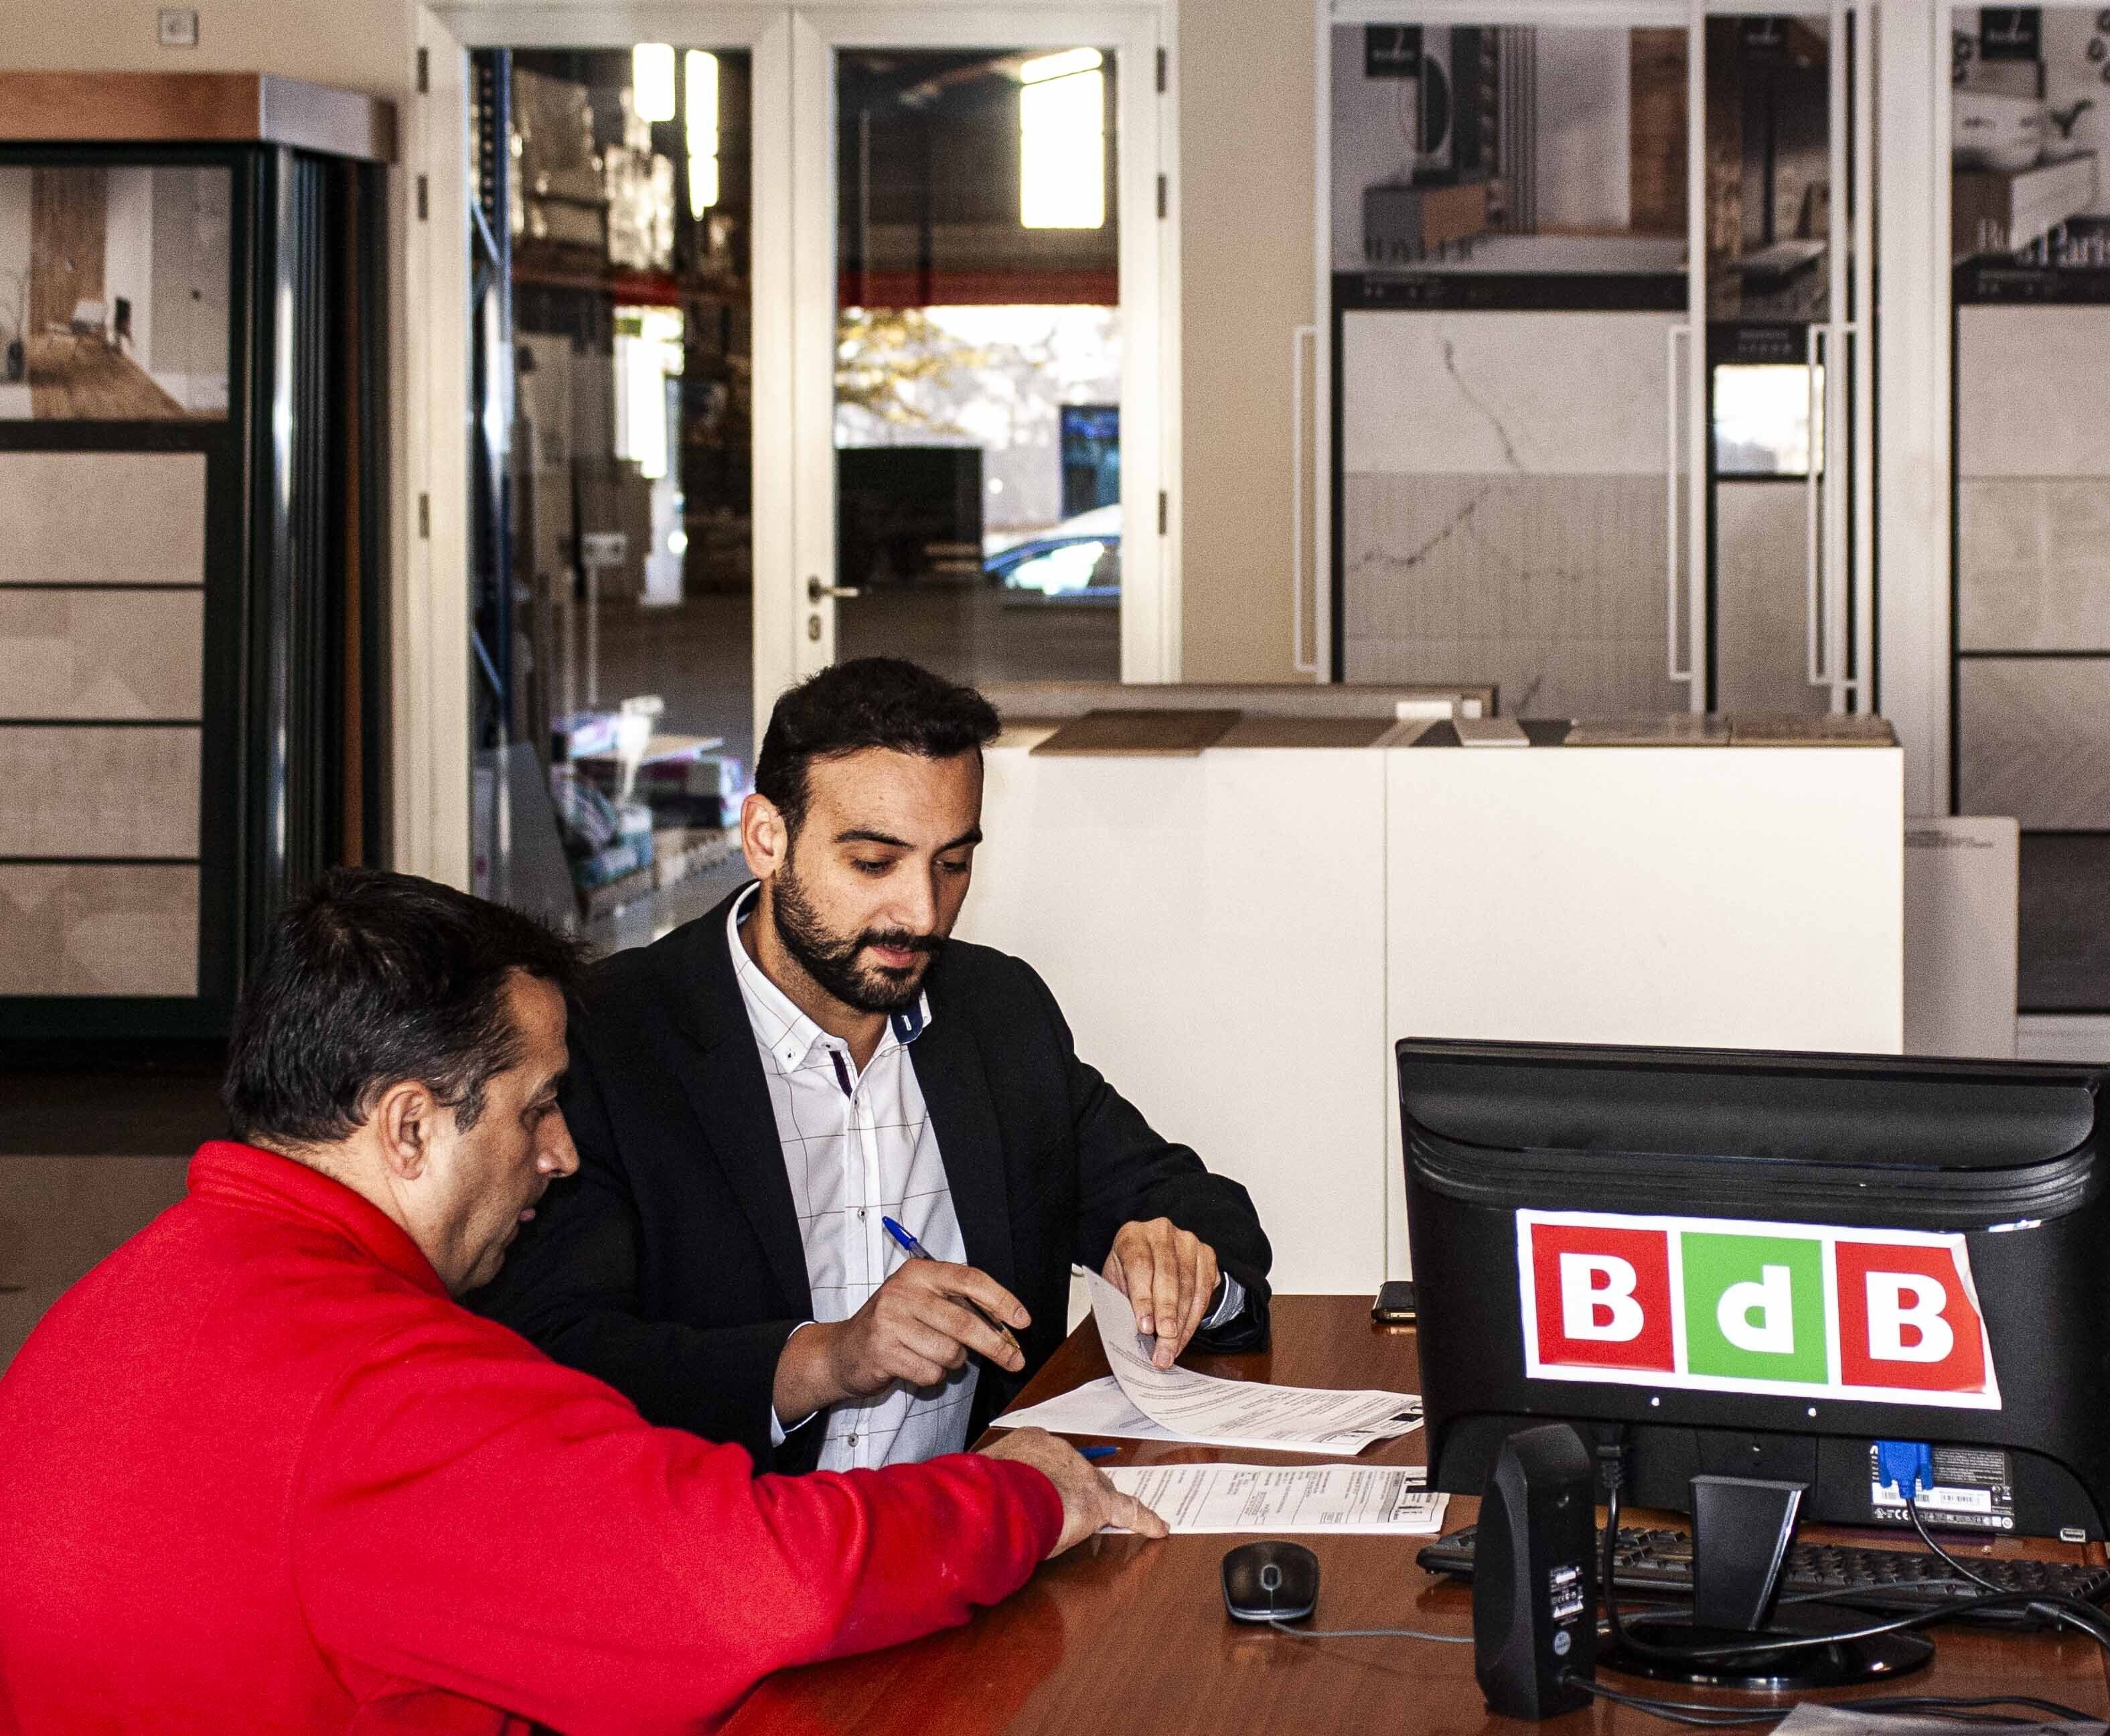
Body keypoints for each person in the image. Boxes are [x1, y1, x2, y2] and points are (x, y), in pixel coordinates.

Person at [0, 869, 1159, 1734]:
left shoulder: (113, 1298)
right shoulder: (385, 1383)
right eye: (536, 1108)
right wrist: (1022, 1495)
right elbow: (748, 1584)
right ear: (410, 1127)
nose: (560, 1153)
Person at [474, 658, 1273, 1474]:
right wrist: (825, 1359)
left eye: (952, 864)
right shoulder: (610, 1037)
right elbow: (551, 1354)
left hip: (978, 1530)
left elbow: (1201, 1212)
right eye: (873, 863)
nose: (922, 913)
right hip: (730, 1538)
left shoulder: (997, 1013)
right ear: (766, 839)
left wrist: (1176, 1260)